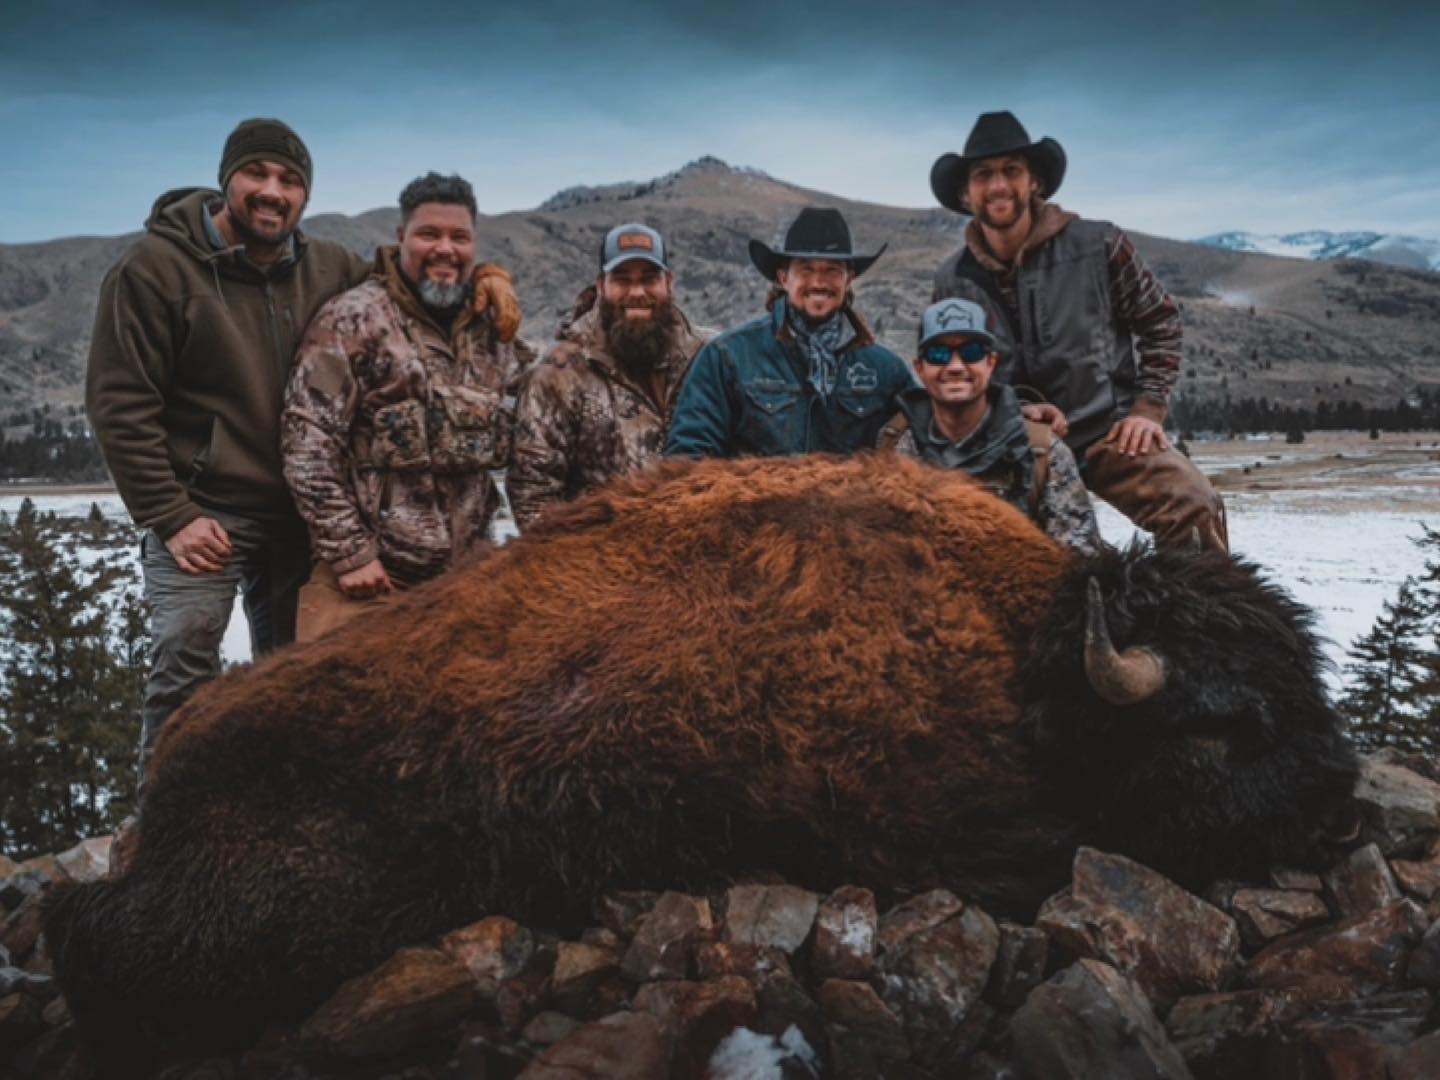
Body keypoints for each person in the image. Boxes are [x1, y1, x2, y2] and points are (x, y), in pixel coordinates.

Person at [86, 118, 372, 783]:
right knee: (185, 653)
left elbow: (406, 294)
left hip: (300, 512)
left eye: (290, 181)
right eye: (258, 174)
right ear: (227, 180)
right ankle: (163, 827)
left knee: (295, 671)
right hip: (203, 509)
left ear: (306, 195)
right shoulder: (153, 270)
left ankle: (276, 824)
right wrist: (172, 514)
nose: (273, 192)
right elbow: (120, 402)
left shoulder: (331, 267)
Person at [929, 111, 1228, 551]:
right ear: (965, 192)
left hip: (1107, 432)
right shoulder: (951, 279)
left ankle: (1199, 617)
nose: (998, 185)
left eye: (1012, 170)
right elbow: (954, 372)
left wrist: (1147, 410)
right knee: (971, 537)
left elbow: (1160, 321)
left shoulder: (1099, 245)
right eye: (983, 174)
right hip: (1013, 439)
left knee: (1194, 504)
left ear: (1035, 183)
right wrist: (1006, 411)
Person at [281, 173, 531, 641]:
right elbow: (307, 443)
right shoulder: (351, 320)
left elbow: (552, 389)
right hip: (368, 584)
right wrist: (351, 553)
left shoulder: (490, 330)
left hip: (467, 583)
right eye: (429, 234)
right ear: (401, 239)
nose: (445, 249)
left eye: (459, 237)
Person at [664, 206, 912, 458]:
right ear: (783, 278)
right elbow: (690, 454)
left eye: (832, 270)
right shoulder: (728, 357)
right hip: (758, 497)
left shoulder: (886, 370)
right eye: (806, 269)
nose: (818, 282)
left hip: (853, 498)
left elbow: (924, 437)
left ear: (848, 279)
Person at [508, 224, 708, 525]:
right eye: (622, 280)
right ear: (601, 285)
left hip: (700, 549)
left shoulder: (710, 358)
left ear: (670, 282)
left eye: (649, 279)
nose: (637, 292)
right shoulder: (557, 374)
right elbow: (533, 494)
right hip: (600, 561)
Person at [878, 299, 1100, 555]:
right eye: (939, 355)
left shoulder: (1042, 452)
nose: (955, 366)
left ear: (991, 363)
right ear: (920, 368)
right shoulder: (894, 449)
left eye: (971, 353)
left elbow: (1079, 560)